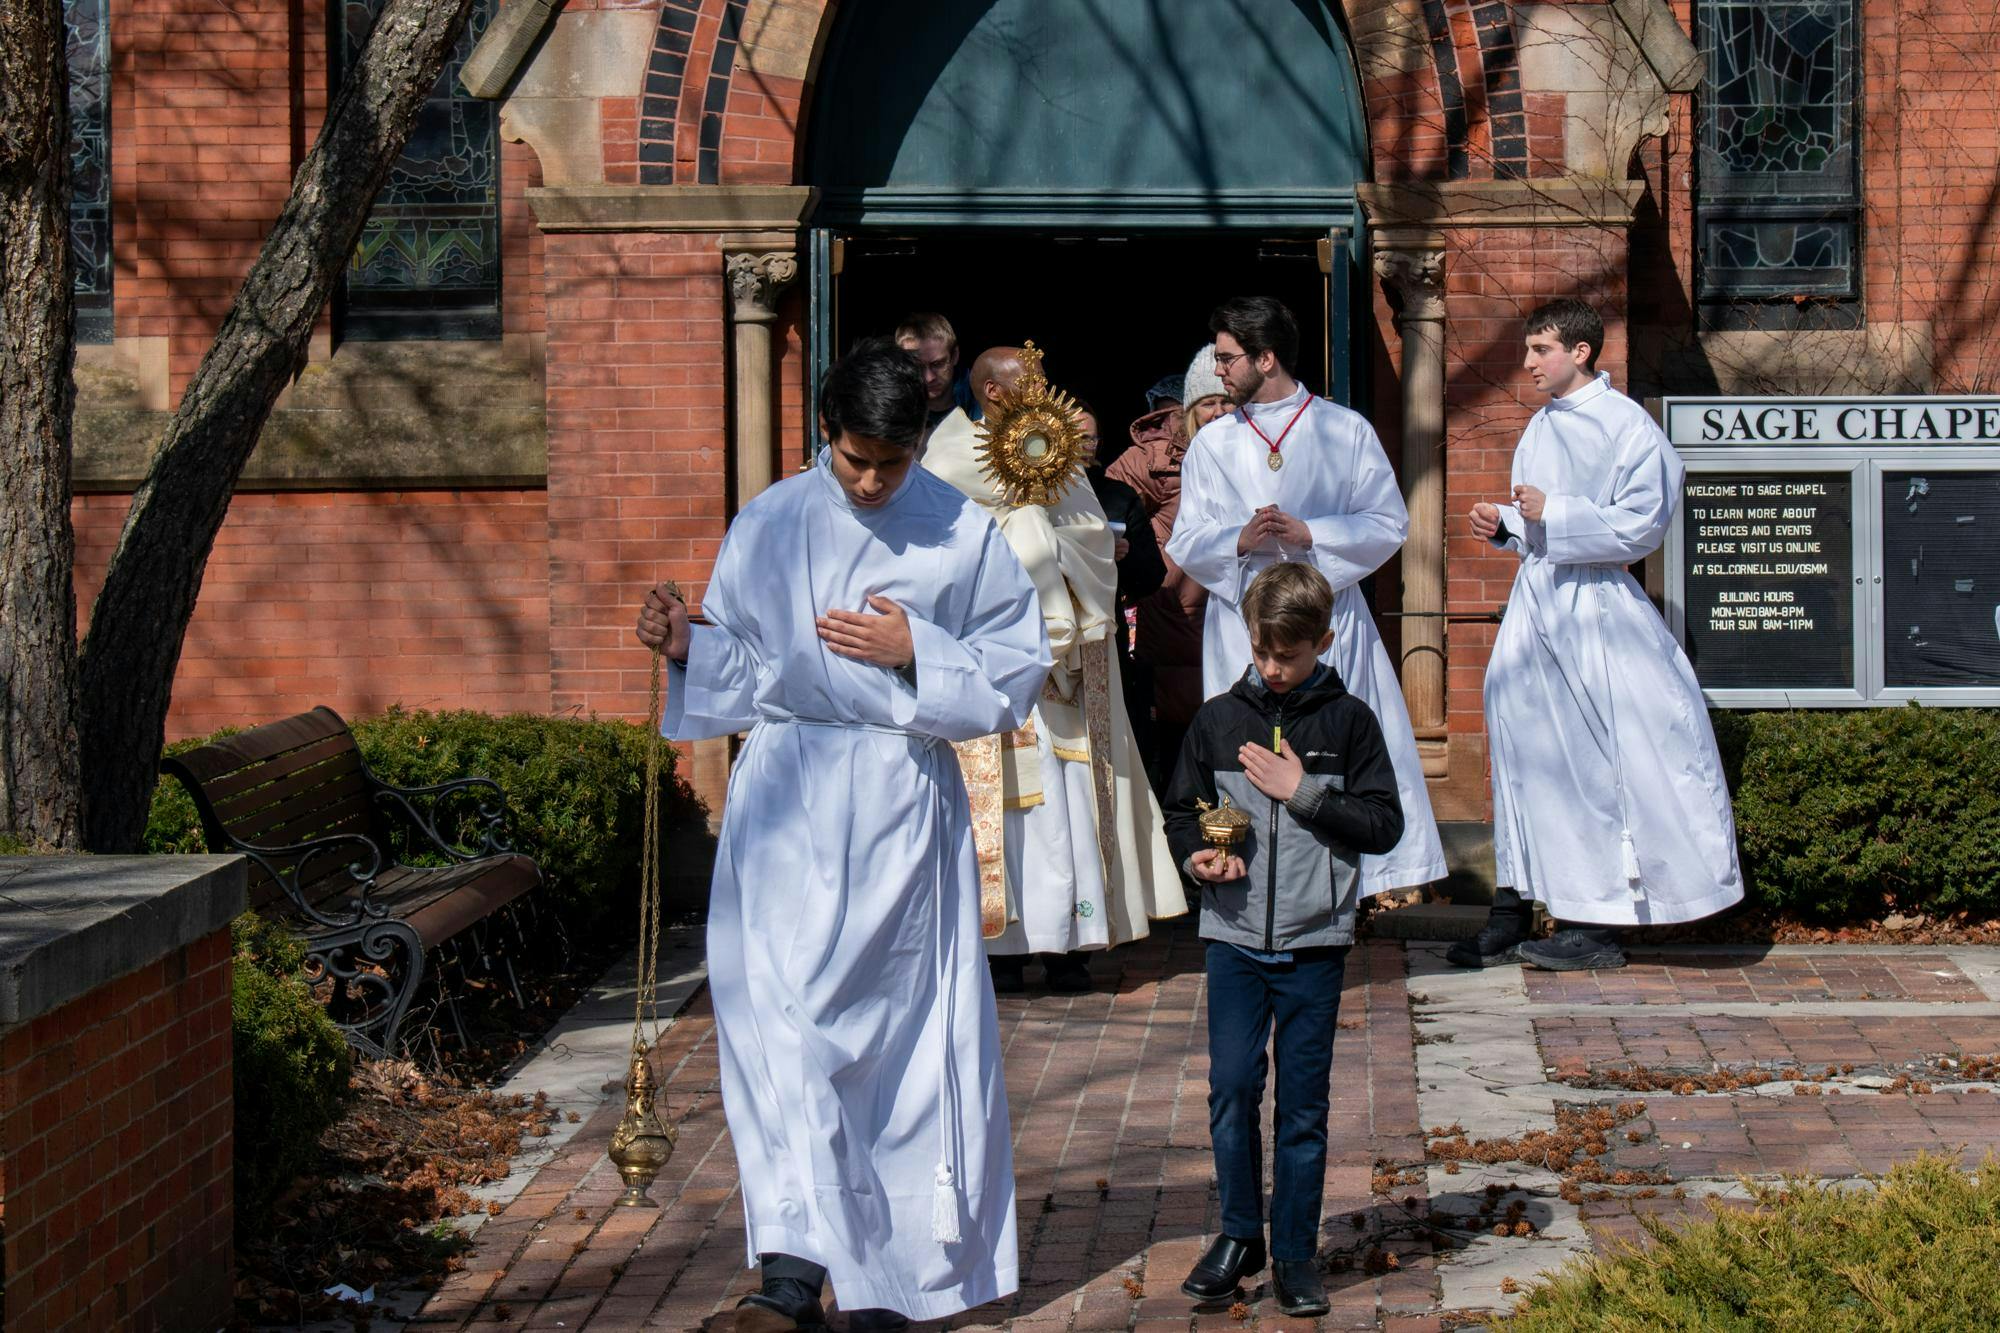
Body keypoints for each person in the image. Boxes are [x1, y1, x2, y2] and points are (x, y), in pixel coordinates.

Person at [633, 339, 1052, 1329]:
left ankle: (891, 1280)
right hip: (786, 797)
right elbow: (746, 662)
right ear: (827, 432)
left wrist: (917, 650)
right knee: (779, 1033)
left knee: (894, 1046)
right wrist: (687, 642)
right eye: (856, 459)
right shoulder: (772, 520)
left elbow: (1014, 674)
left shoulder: (959, 528)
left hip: (900, 805)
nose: (870, 482)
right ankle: (790, 1270)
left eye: (890, 464)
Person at [1449, 299, 1744, 971]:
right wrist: (1507, 526)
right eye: (1528, 349)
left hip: (1597, 613)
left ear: (1580, 352)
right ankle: (1512, 909)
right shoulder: (1540, 426)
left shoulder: (1626, 425)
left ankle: (1597, 922)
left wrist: (1555, 512)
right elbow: (1538, 527)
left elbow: (1645, 521)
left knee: (1590, 763)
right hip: (1536, 605)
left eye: (1541, 349)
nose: (1528, 362)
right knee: (1524, 758)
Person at [1161, 562, 1404, 1317]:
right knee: (1232, 1086)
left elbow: (1383, 824)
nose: (1271, 667)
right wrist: (1199, 857)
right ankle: (1241, 1234)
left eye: (1288, 655)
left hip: (1314, 941)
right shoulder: (1217, 720)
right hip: (1232, 937)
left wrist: (1301, 791)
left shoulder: (1350, 722)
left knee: (1302, 1105)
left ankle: (1296, 1251)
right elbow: (1183, 810)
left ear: (1323, 642)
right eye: (1262, 651)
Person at [1166, 297, 1448, 898]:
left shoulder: (1344, 430)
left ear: (1266, 358)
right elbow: (1187, 538)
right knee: (1242, 743)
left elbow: (1388, 522)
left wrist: (1312, 535)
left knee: (1335, 739)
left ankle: (1360, 880)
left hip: (1325, 614)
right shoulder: (1213, 444)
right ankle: (1242, 866)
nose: (1218, 371)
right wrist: (1237, 540)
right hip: (1243, 621)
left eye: (1227, 358)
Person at [926, 347, 1187, 993]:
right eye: (1032, 382)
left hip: (1061, 678)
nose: (1046, 393)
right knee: (1003, 809)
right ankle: (1003, 951)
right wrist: (1022, 531)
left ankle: (1073, 944)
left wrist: (1053, 535)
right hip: (990, 673)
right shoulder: (947, 460)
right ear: (992, 391)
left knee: (1067, 801)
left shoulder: (1060, 459)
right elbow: (935, 558)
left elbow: (1095, 542)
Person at [1107, 346, 1232, 789]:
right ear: (1187, 410)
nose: (1219, 412)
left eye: (1227, 401)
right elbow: (1106, 505)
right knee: (1175, 753)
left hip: (1231, 611)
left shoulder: (1251, 449)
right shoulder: (1153, 460)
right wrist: (1134, 558)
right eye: (1208, 403)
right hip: (1173, 618)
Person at [895, 312, 976, 437]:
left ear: (955, 355)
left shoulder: (983, 401)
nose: (929, 378)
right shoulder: (892, 409)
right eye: (917, 367)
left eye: (937, 364)